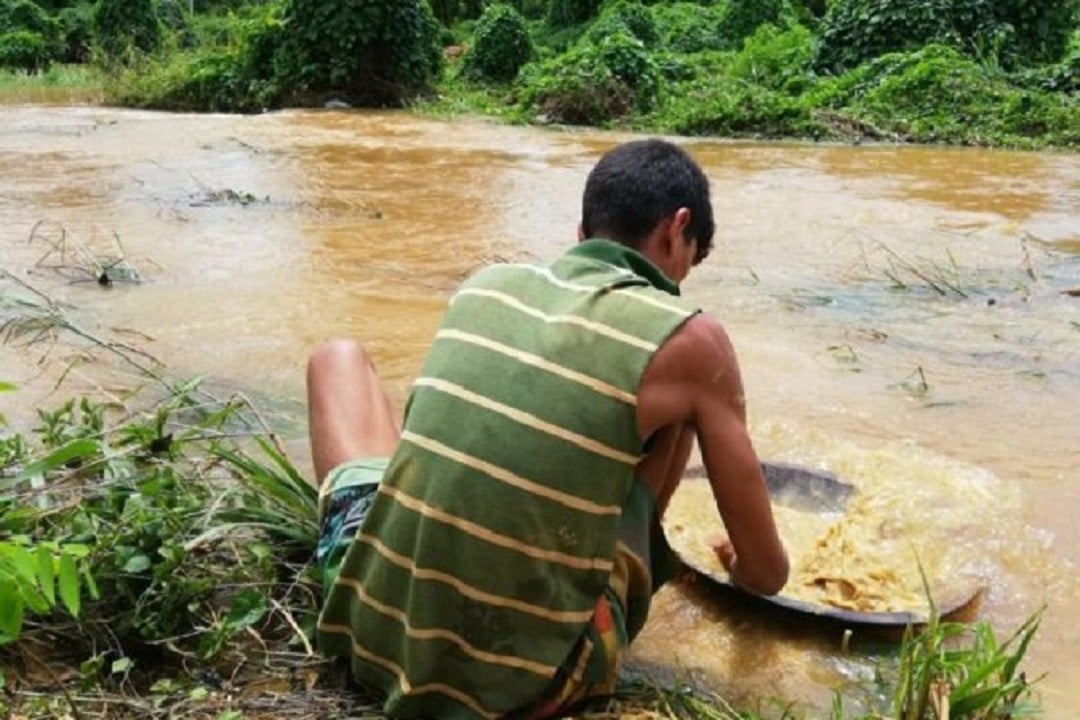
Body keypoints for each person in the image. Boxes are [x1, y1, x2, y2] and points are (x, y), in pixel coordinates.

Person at [306, 138, 789, 720]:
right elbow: (767, 575)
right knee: (682, 411)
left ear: (583, 231)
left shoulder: (486, 283)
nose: (682, 278)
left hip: (366, 625)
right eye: (691, 257)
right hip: (522, 687)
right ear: (677, 227)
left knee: (336, 358)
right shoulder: (689, 338)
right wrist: (732, 562)